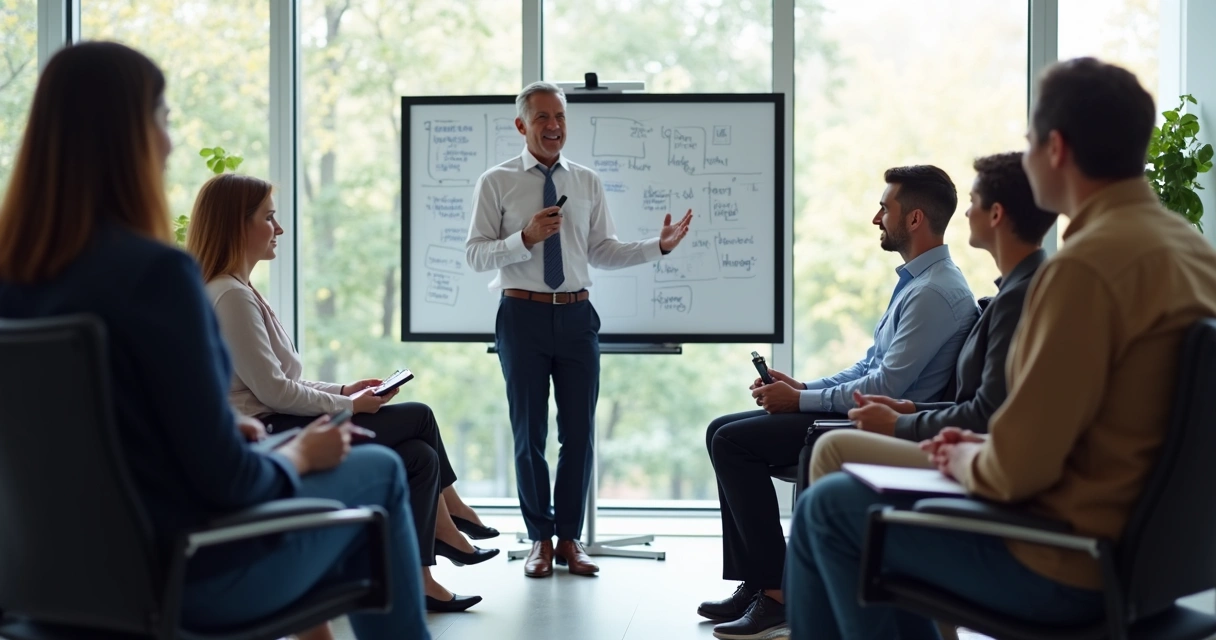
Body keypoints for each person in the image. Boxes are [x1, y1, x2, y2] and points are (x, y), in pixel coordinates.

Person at [0, 41, 429, 640]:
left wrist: (226, 434)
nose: (170, 142)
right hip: (184, 578)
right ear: (129, 137)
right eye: (164, 118)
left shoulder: (12, 284)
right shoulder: (158, 276)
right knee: (380, 467)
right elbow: (228, 485)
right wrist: (299, 454)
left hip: (43, 588)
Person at [785, 57, 1216, 640]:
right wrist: (980, 444)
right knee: (844, 496)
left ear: (1055, 149)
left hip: (1066, 564)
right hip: (1153, 568)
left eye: (1030, 140)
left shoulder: (1086, 270)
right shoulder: (1194, 255)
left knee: (829, 508)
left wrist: (963, 456)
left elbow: (1017, 471)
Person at [186, 173, 493, 613]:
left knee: (419, 458)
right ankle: (453, 519)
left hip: (281, 419)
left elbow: (279, 380)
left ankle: (423, 576)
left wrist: (345, 389)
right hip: (273, 433)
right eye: (269, 218)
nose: (279, 228)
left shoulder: (242, 290)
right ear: (237, 224)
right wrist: (348, 404)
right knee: (419, 415)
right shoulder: (230, 296)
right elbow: (274, 391)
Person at [699, 165, 978, 640]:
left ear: (914, 219)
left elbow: (886, 387)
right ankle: (762, 581)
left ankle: (777, 596)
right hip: (866, 409)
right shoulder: (918, 282)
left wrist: (802, 401)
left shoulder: (934, 291)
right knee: (719, 430)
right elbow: (868, 365)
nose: (876, 218)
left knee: (732, 443)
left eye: (884, 208)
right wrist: (803, 389)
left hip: (881, 424)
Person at [465, 81, 693, 578]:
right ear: (521, 125)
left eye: (561, 117)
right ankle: (539, 540)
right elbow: (475, 254)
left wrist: (658, 246)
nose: (553, 126)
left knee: (580, 434)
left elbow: (602, 251)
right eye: (542, 118)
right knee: (529, 434)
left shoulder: (587, 181)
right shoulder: (496, 181)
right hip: (521, 316)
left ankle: (569, 539)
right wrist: (524, 238)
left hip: (576, 317)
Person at [811, 151, 1057, 481]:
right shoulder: (1015, 291)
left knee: (829, 448)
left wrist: (901, 422)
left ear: (996, 214)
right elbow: (982, 405)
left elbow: (986, 414)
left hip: (981, 457)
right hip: (965, 441)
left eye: (973, 202)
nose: (965, 212)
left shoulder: (1018, 298)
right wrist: (910, 409)